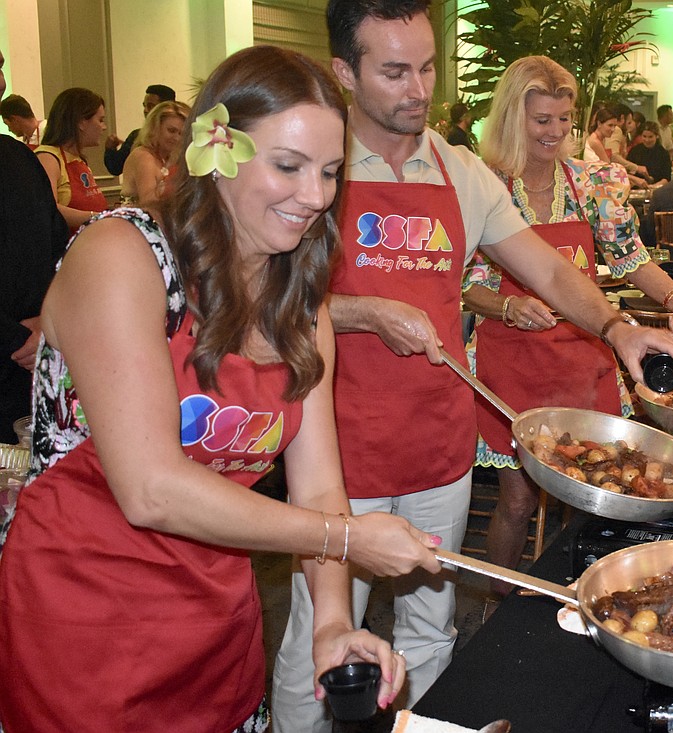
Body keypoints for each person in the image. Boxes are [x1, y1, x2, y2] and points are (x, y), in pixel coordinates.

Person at [272, 2, 673, 729]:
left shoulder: (460, 171)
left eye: (427, 67)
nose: (418, 89)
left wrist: (620, 328)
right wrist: (364, 309)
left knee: (431, 634)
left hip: (440, 444)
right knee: (323, 640)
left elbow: (552, 274)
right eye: (394, 71)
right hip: (337, 453)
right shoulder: (317, 168)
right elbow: (267, 298)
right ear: (345, 73)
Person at [0, 45, 440, 731]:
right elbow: (151, 487)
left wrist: (330, 620)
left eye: (329, 172)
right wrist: (347, 538)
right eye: (288, 166)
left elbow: (319, 486)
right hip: (83, 620)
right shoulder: (122, 257)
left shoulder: (301, 302)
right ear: (216, 152)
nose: (316, 196)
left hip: (214, 628)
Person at [461, 56, 673, 600]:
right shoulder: (486, 187)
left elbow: (628, 256)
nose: (555, 133)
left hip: (581, 362)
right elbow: (461, 285)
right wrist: (506, 307)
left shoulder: (592, 182)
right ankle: (499, 613)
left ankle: (584, 600)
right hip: (510, 364)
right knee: (517, 501)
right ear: (512, 118)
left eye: (564, 119)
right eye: (542, 120)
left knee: (594, 495)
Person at [0, 49, 68, 445]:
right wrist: (12, 338)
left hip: (30, 372)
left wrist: (51, 319)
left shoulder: (17, 160)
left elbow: (56, 248)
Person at [36, 87, 110, 232]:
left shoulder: (79, 160)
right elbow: (48, 208)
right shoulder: (49, 158)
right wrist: (96, 218)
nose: (104, 127)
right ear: (81, 122)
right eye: (100, 120)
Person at [119, 100, 190, 207]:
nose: (177, 138)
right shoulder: (143, 156)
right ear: (155, 128)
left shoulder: (170, 158)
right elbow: (150, 204)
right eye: (171, 131)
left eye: (182, 133)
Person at [103, 83, 175, 175]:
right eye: (144, 106)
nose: (145, 110)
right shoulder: (137, 136)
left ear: (166, 108)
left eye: (150, 106)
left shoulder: (179, 137)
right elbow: (116, 167)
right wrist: (110, 149)